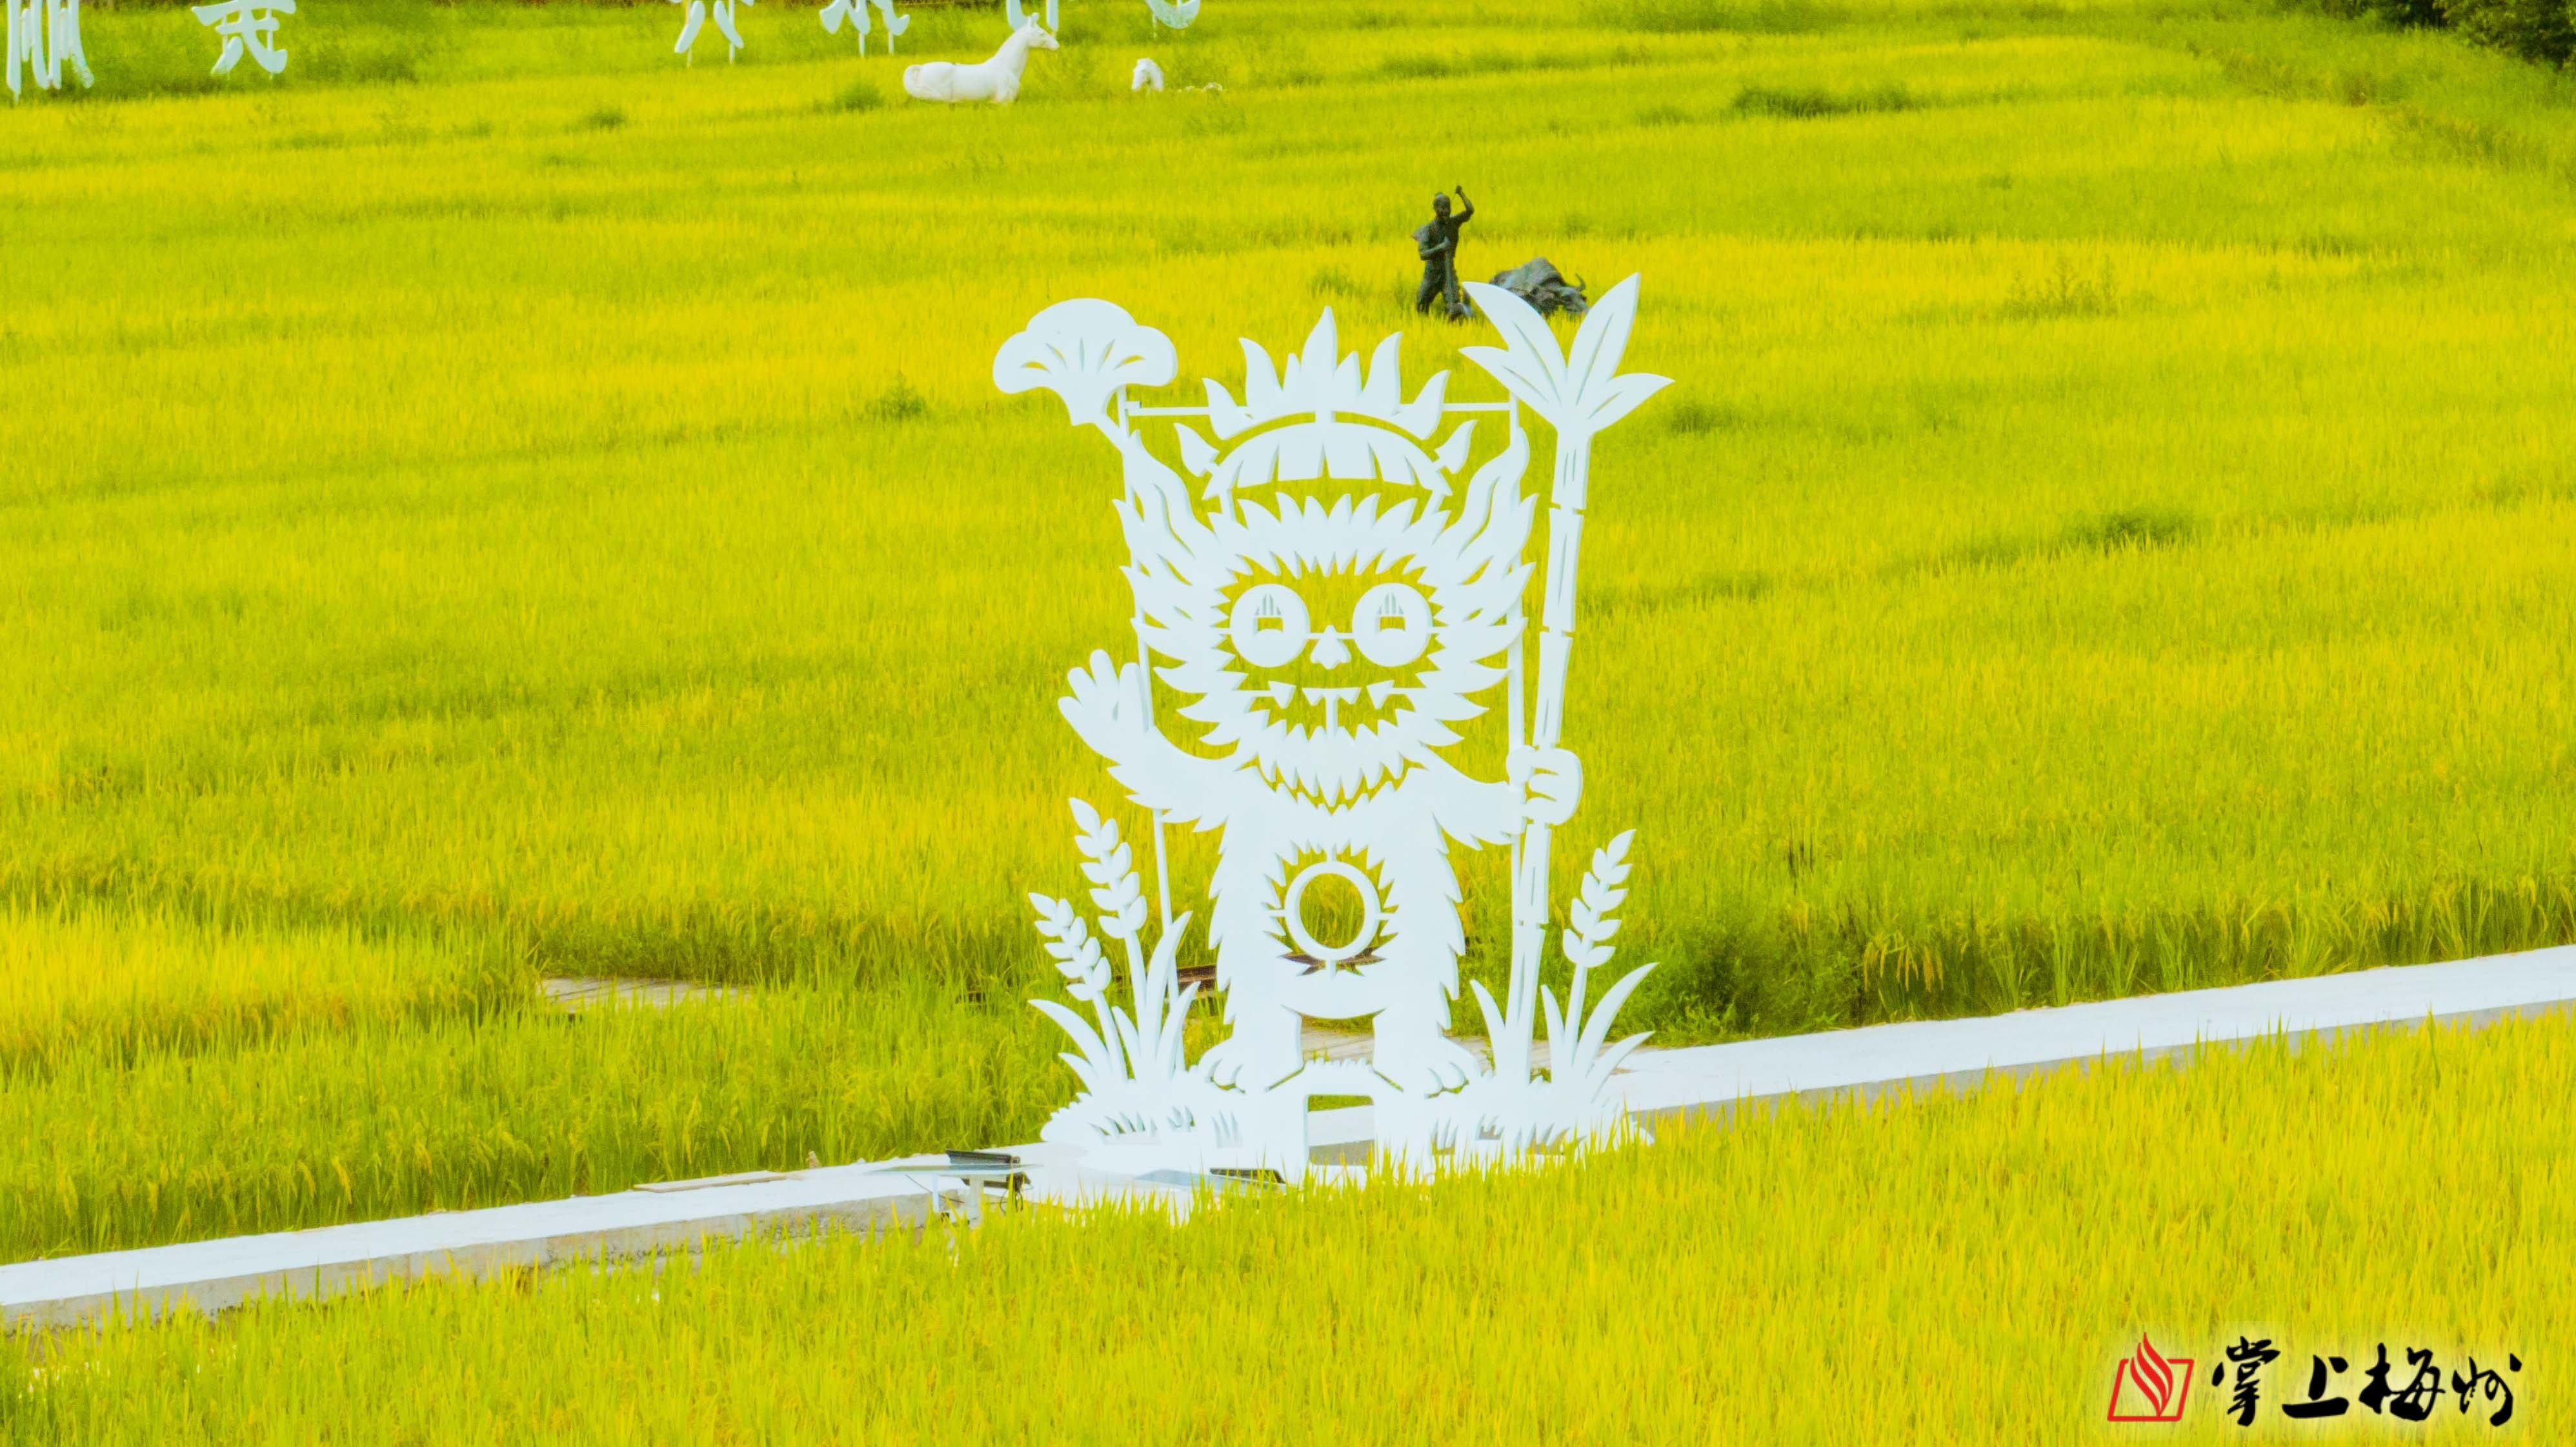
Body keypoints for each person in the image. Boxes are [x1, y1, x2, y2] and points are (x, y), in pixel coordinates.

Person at [1413, 185, 1475, 318]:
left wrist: (1461, 194)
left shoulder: (1454, 223)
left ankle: (1456, 319)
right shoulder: (1428, 229)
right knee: (1421, 304)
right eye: (1442, 208)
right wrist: (1440, 248)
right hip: (1432, 273)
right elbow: (1423, 254)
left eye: (1448, 207)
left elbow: (1470, 210)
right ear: (1436, 209)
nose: (1446, 211)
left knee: (1453, 304)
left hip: (1448, 271)